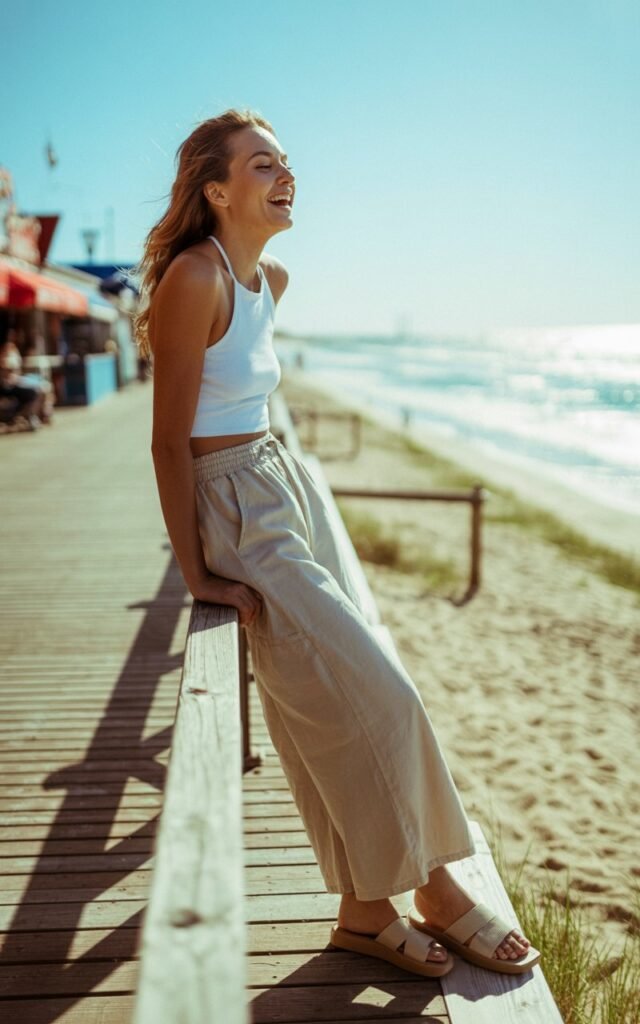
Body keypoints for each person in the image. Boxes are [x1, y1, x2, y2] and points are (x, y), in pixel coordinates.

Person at [134, 108, 539, 978]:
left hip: (286, 484)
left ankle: (362, 910)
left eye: (286, 162)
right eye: (262, 165)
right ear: (215, 189)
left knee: (324, 705)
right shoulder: (193, 280)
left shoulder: (268, 277)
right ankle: (434, 886)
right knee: (380, 694)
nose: (286, 176)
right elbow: (170, 443)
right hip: (233, 501)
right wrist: (197, 569)